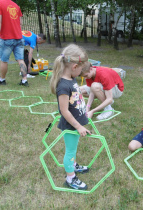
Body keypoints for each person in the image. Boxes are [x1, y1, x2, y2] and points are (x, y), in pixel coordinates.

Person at [50, 44, 91, 190]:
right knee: (70, 152)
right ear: (74, 66)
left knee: (73, 148)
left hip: (76, 124)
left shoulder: (71, 79)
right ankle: (70, 178)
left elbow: (74, 95)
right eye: (81, 69)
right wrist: (78, 126)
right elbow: (64, 111)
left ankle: (73, 165)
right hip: (71, 125)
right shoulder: (63, 85)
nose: (81, 72)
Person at [0, 0, 29, 87]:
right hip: (19, 37)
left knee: (4, 60)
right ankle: (24, 80)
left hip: (6, 38)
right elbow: (20, 23)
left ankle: (2, 80)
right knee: (20, 59)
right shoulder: (15, 5)